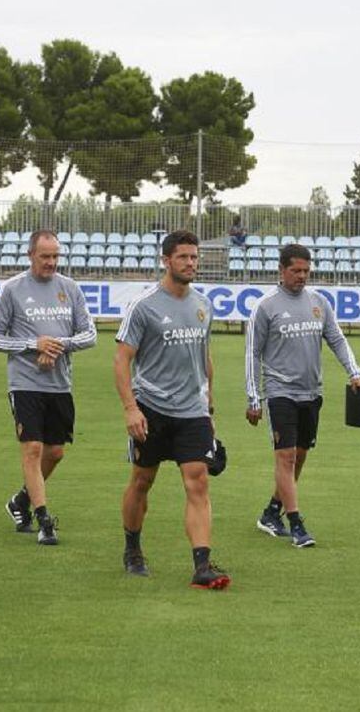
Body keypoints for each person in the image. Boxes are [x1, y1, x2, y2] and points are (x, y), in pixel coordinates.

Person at [115, 229, 230, 590]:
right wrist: (131, 409)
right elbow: (121, 361)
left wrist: (209, 409)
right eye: (183, 257)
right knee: (142, 480)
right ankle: (132, 549)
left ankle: (202, 564)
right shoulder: (144, 306)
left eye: (194, 257)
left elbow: (204, 357)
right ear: (166, 260)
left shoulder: (203, 305)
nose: (191, 263)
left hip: (192, 411)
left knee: (197, 481)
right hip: (151, 408)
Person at [245, 243, 360, 548]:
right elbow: (252, 353)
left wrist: (355, 372)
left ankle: (272, 511)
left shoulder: (319, 302)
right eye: (296, 270)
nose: (302, 276)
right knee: (285, 456)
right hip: (280, 391)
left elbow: (337, 339)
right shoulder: (265, 306)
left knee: (299, 457)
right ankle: (296, 524)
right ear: (281, 270)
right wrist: (254, 397)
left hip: (312, 392)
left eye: (306, 271)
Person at [0, 229, 97, 545]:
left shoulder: (70, 289)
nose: (51, 262)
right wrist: (34, 345)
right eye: (45, 256)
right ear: (30, 255)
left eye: (55, 256)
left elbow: (89, 335)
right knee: (32, 449)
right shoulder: (12, 289)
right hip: (24, 383)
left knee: (56, 452)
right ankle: (44, 519)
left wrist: (57, 345)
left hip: (59, 385)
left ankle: (21, 500)